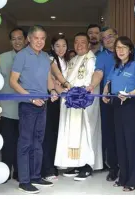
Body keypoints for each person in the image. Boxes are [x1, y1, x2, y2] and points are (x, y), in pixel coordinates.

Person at [10, 25, 58, 194]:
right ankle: (24, 180)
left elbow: (48, 78)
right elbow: (13, 81)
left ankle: (36, 176)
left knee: (38, 141)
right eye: (36, 38)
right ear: (29, 39)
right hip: (28, 105)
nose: (39, 41)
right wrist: (30, 97)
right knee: (25, 142)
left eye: (42, 38)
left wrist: (52, 91)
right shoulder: (22, 56)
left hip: (43, 103)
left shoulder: (45, 57)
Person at [54, 32, 103, 181]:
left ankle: (87, 165)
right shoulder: (73, 60)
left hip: (85, 104)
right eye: (76, 42)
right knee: (73, 135)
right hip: (71, 104)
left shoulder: (92, 59)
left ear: (88, 44)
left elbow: (91, 81)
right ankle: (76, 164)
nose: (79, 45)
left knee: (86, 133)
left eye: (83, 42)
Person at [102, 36, 135, 192]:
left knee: (131, 143)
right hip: (116, 106)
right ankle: (123, 178)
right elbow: (108, 82)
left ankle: (133, 180)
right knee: (120, 143)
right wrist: (106, 92)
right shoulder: (116, 67)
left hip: (131, 106)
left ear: (130, 50)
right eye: (118, 48)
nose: (120, 51)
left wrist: (129, 95)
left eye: (123, 47)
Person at [86, 27, 119, 181]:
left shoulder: (128, 50)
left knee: (125, 135)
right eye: (105, 38)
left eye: (111, 36)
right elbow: (98, 73)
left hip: (129, 100)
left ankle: (127, 167)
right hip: (107, 100)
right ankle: (113, 168)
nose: (108, 39)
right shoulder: (100, 56)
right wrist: (92, 86)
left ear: (117, 36)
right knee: (109, 135)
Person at [0, 27, 27, 183]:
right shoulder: (2, 58)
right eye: (13, 39)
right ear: (10, 41)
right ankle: (6, 171)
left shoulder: (31, 57)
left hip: (26, 107)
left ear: (26, 40)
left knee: (23, 142)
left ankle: (20, 172)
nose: (17, 41)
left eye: (20, 38)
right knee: (8, 141)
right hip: (7, 108)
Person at [42, 35, 69, 181]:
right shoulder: (50, 59)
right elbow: (52, 80)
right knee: (49, 135)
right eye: (57, 46)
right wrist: (66, 91)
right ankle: (47, 169)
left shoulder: (66, 61)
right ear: (52, 47)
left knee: (56, 133)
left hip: (62, 102)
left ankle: (54, 164)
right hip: (52, 100)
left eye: (63, 45)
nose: (61, 49)